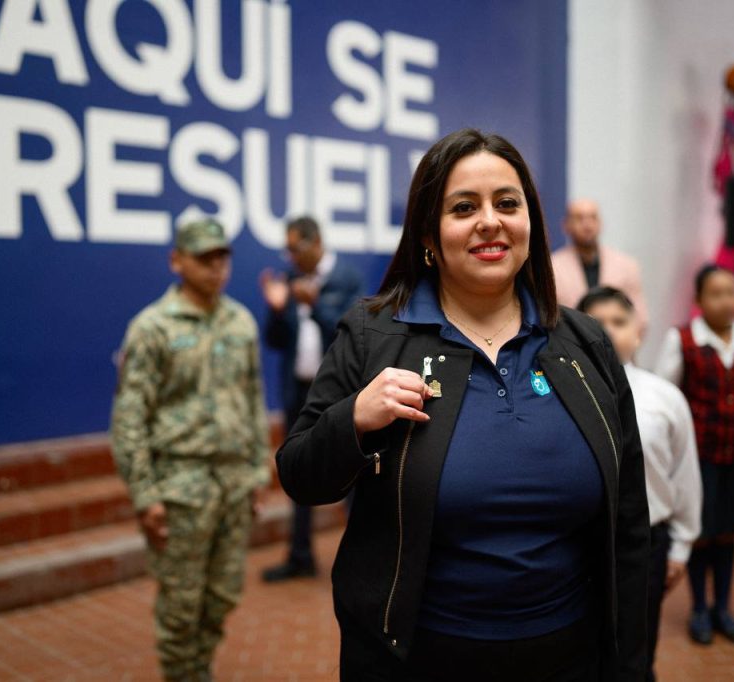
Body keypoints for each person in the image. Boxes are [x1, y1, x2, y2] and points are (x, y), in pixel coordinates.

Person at [276, 128, 649, 681]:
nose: (490, 222)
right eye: (463, 207)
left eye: (507, 203)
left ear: (530, 222)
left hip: (573, 657)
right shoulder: (372, 334)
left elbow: (630, 526)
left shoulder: (586, 343)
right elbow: (301, 475)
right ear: (430, 232)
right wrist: (352, 419)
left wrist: (633, 667)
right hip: (417, 661)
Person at [110, 218, 271, 682]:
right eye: (204, 258)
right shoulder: (151, 328)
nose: (216, 267)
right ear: (176, 261)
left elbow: (253, 398)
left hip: (233, 485)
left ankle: (199, 671)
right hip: (180, 488)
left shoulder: (240, 321)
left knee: (222, 596)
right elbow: (129, 417)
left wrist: (259, 471)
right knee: (181, 607)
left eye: (222, 257)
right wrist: (145, 494)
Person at [578, 287, 702, 682]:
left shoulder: (665, 398)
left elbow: (684, 474)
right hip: (578, 541)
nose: (609, 332)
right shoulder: (557, 394)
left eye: (619, 321)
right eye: (597, 322)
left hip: (647, 543)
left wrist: (682, 546)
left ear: (639, 331)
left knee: (635, 652)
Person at [656, 265, 734, 648]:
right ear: (698, 300)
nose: (726, 301)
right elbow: (666, 395)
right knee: (702, 532)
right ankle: (699, 609)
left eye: (732, 292)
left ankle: (724, 607)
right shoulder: (683, 340)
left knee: (728, 531)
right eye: (716, 293)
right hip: (699, 457)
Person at [259, 216, 364, 582]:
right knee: (298, 470)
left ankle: (363, 558)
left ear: (315, 241)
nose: (290, 257)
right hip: (298, 392)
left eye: (295, 248)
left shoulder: (347, 278)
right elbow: (275, 341)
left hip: (339, 395)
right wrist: (275, 309)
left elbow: (352, 337)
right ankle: (300, 555)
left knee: (353, 474)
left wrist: (316, 305)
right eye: (286, 249)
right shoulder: (289, 279)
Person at [551, 199, 649, 332]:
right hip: (569, 348)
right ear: (566, 225)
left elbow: (640, 319)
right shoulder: (551, 267)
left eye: (593, 217)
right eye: (579, 218)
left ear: (600, 223)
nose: (587, 225)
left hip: (616, 348)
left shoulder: (626, 266)